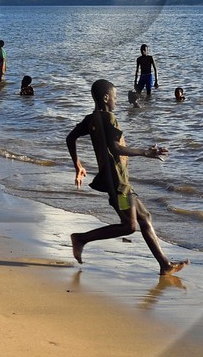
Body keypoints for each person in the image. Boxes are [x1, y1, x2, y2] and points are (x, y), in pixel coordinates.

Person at [65, 78, 186, 276]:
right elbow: (115, 147)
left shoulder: (92, 118)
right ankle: (81, 238)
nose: (117, 101)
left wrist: (77, 165)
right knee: (129, 226)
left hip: (117, 180)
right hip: (118, 182)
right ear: (106, 98)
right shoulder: (109, 117)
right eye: (115, 97)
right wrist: (144, 152)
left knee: (145, 217)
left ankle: (165, 264)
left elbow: (70, 138)